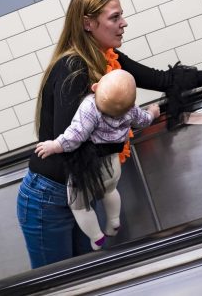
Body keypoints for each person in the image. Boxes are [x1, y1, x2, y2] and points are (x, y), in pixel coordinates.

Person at [17, 0, 202, 268]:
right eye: (115, 17)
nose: (123, 23)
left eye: (121, 16)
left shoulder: (108, 60)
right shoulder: (72, 68)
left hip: (83, 190)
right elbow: (72, 142)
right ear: (88, 23)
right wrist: (129, 119)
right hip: (49, 198)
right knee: (57, 284)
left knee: (85, 278)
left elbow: (162, 80)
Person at [35, 69, 160, 251]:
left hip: (89, 168)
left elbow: (75, 136)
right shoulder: (131, 110)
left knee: (79, 205)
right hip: (112, 163)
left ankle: (96, 237)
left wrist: (54, 145)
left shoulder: (90, 107)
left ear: (94, 87)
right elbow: (144, 120)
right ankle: (114, 221)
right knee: (110, 191)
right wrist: (153, 112)